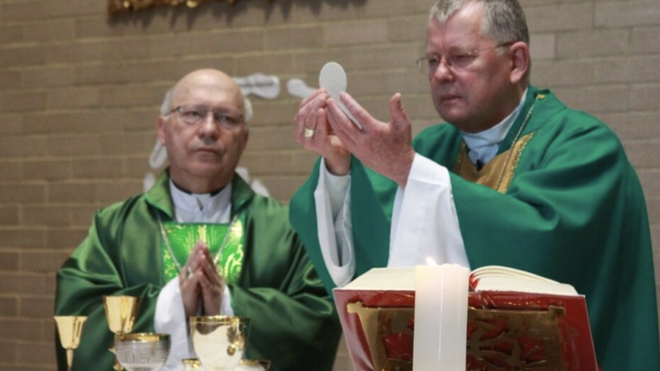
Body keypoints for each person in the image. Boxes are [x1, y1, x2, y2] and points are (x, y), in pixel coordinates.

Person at [289, 0, 660, 370]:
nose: (441, 74)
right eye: (433, 60)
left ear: (516, 62)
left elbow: (543, 247)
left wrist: (407, 170)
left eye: (461, 57)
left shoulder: (586, 147)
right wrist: (340, 165)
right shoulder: (429, 152)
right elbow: (378, 254)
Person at [54, 69, 341, 371]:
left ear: (244, 139)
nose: (208, 129)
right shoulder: (114, 228)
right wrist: (172, 304)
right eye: (192, 114)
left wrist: (228, 305)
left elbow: (317, 322)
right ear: (163, 130)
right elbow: (78, 324)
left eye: (227, 118)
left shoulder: (287, 229)